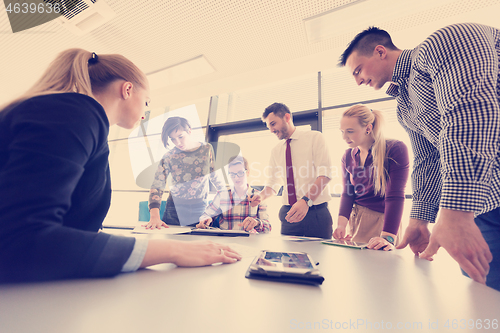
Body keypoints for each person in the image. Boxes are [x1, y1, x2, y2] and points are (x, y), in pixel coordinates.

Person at [0, 49, 240, 283]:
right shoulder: (77, 114)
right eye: (147, 102)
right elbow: (23, 237)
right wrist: (171, 250)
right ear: (127, 89)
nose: (145, 113)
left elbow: (63, 223)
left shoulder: (80, 119)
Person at [339, 23, 500, 289]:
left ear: (380, 51)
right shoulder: (404, 106)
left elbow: (471, 116)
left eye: (358, 70)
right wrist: (420, 219)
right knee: (484, 293)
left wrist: (455, 213)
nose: (358, 81)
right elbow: (428, 161)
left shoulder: (445, 41)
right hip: (483, 204)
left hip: (469, 204)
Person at [250, 102, 333, 239]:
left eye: (273, 124)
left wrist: (306, 201)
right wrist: (261, 196)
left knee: (320, 259)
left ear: (287, 118)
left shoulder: (315, 138)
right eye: (269, 126)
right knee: (288, 258)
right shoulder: (276, 150)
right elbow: (273, 184)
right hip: (289, 214)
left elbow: (325, 175)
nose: (271, 130)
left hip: (316, 213)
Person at [334, 104, 409, 251]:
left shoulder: (395, 149)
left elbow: (395, 196)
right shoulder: (348, 156)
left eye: (350, 131)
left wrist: (387, 238)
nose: (344, 137)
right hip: (357, 220)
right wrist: (341, 225)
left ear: (368, 128)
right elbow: (348, 193)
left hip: (384, 223)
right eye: (342, 131)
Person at [146, 116, 225, 228]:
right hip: (174, 210)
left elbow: (214, 175)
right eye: (172, 139)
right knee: (172, 244)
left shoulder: (206, 149)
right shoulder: (169, 156)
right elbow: (157, 185)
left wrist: (227, 194)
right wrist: (154, 217)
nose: (177, 142)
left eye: (180, 136)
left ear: (189, 131)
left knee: (196, 243)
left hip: (200, 209)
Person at [197, 156, 271, 233]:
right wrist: (206, 220)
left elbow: (268, 227)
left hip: (249, 241)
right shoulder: (222, 194)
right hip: (225, 240)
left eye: (240, 173)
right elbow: (207, 215)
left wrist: (257, 223)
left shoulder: (258, 197)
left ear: (248, 173)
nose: (236, 178)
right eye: (232, 174)